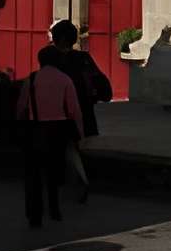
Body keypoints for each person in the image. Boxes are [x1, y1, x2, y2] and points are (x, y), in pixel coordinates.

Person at [13, 44, 83, 227]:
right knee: (54, 173)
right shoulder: (65, 80)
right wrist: (79, 134)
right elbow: (74, 110)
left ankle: (34, 214)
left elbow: (21, 107)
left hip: (35, 129)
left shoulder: (32, 79)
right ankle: (54, 209)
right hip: (58, 130)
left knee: (33, 174)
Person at [49, 20, 112, 201]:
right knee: (76, 147)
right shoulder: (84, 58)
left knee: (68, 147)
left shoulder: (52, 59)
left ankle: (78, 182)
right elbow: (101, 84)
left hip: (62, 113)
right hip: (85, 111)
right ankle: (78, 181)